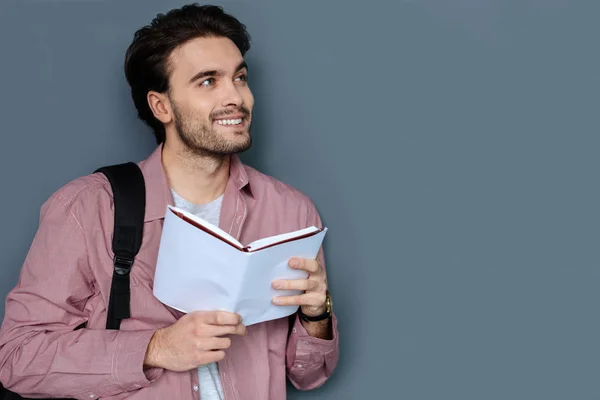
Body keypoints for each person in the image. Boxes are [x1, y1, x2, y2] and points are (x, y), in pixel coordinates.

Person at [0, 4, 338, 399]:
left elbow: (308, 377)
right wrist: (156, 348)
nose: (236, 97)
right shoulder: (87, 207)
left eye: (239, 77)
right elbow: (16, 358)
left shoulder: (292, 212)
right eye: (208, 82)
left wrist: (318, 315)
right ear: (161, 106)